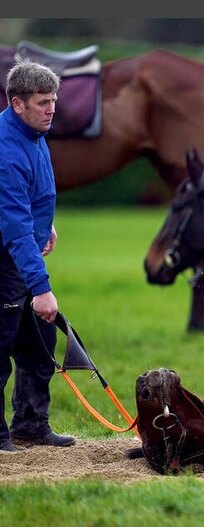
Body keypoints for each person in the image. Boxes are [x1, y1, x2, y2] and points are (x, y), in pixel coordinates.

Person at [0, 60, 76, 452]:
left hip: (21, 252)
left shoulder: (32, 132)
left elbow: (31, 200)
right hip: (6, 259)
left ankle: (30, 426)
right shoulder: (6, 152)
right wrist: (41, 289)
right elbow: (12, 226)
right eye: (43, 102)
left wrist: (45, 226)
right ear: (18, 104)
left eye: (54, 100)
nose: (52, 109)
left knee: (39, 343)